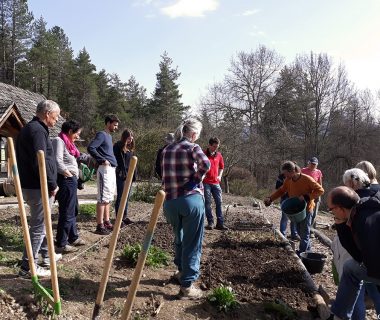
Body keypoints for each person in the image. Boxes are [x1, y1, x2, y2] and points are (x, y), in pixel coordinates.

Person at [162, 119, 210, 299]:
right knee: (193, 243)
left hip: (170, 202)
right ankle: (187, 287)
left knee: (179, 236)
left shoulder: (167, 149)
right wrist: (195, 180)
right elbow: (207, 165)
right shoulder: (192, 147)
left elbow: (164, 174)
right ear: (193, 134)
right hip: (190, 200)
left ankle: (181, 271)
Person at [16, 100, 61, 278]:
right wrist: (52, 184)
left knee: (43, 222)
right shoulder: (37, 131)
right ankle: (28, 267)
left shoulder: (33, 128)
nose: (57, 120)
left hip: (32, 184)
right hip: (37, 186)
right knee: (39, 225)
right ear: (47, 114)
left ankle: (45, 254)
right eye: (56, 116)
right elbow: (40, 161)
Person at [331, 168, 380, 319]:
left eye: (332, 209)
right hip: (373, 261)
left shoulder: (361, 217)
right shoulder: (373, 196)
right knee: (352, 268)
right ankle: (340, 314)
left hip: (376, 264)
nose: (331, 213)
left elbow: (363, 256)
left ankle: (350, 316)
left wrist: (340, 224)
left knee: (353, 268)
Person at [264, 161, 324, 254]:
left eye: (285, 173)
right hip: (296, 210)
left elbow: (320, 190)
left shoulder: (307, 179)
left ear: (292, 171)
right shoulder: (288, 180)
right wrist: (270, 198)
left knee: (304, 234)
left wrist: (306, 197)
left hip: (307, 209)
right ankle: (308, 252)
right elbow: (281, 191)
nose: (284, 175)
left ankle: (302, 253)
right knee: (300, 232)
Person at [52, 120, 86, 254]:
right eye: (77, 133)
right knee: (67, 211)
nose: (78, 136)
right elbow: (57, 160)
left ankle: (73, 236)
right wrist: (68, 173)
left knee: (74, 209)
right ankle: (61, 243)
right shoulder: (59, 141)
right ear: (70, 131)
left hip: (71, 181)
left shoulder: (69, 143)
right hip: (65, 180)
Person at [87, 114, 119, 235]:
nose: (116, 127)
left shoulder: (109, 137)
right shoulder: (101, 134)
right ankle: (99, 225)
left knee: (108, 197)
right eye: (114, 125)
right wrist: (101, 160)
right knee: (102, 198)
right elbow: (91, 148)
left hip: (111, 169)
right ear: (108, 123)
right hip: (104, 169)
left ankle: (107, 221)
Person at [203, 137, 227, 230]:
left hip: (216, 183)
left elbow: (221, 167)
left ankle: (220, 223)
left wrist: (220, 176)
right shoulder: (203, 154)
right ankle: (210, 222)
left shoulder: (219, 155)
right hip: (206, 183)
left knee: (219, 202)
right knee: (207, 203)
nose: (215, 148)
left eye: (217, 146)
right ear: (209, 145)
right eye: (214, 146)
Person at [113, 128, 136, 227]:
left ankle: (124, 216)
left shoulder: (130, 149)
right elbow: (117, 160)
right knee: (121, 196)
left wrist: (134, 175)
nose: (130, 140)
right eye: (128, 138)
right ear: (124, 137)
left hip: (129, 174)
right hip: (121, 175)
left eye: (131, 138)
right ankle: (119, 218)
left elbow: (133, 163)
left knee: (127, 196)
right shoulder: (118, 146)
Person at [276, 173, 300, 240]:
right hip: (285, 199)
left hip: (295, 199)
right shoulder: (281, 176)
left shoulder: (298, 176)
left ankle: (294, 234)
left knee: (294, 217)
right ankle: (282, 235)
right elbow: (278, 187)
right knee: (285, 217)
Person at [301, 157, 323, 227]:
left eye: (315, 164)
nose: (313, 165)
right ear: (309, 163)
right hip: (305, 194)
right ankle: (303, 228)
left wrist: (319, 194)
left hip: (315, 194)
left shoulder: (318, 172)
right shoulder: (303, 170)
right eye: (312, 164)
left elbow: (320, 183)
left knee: (314, 213)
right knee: (306, 212)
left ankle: (310, 229)